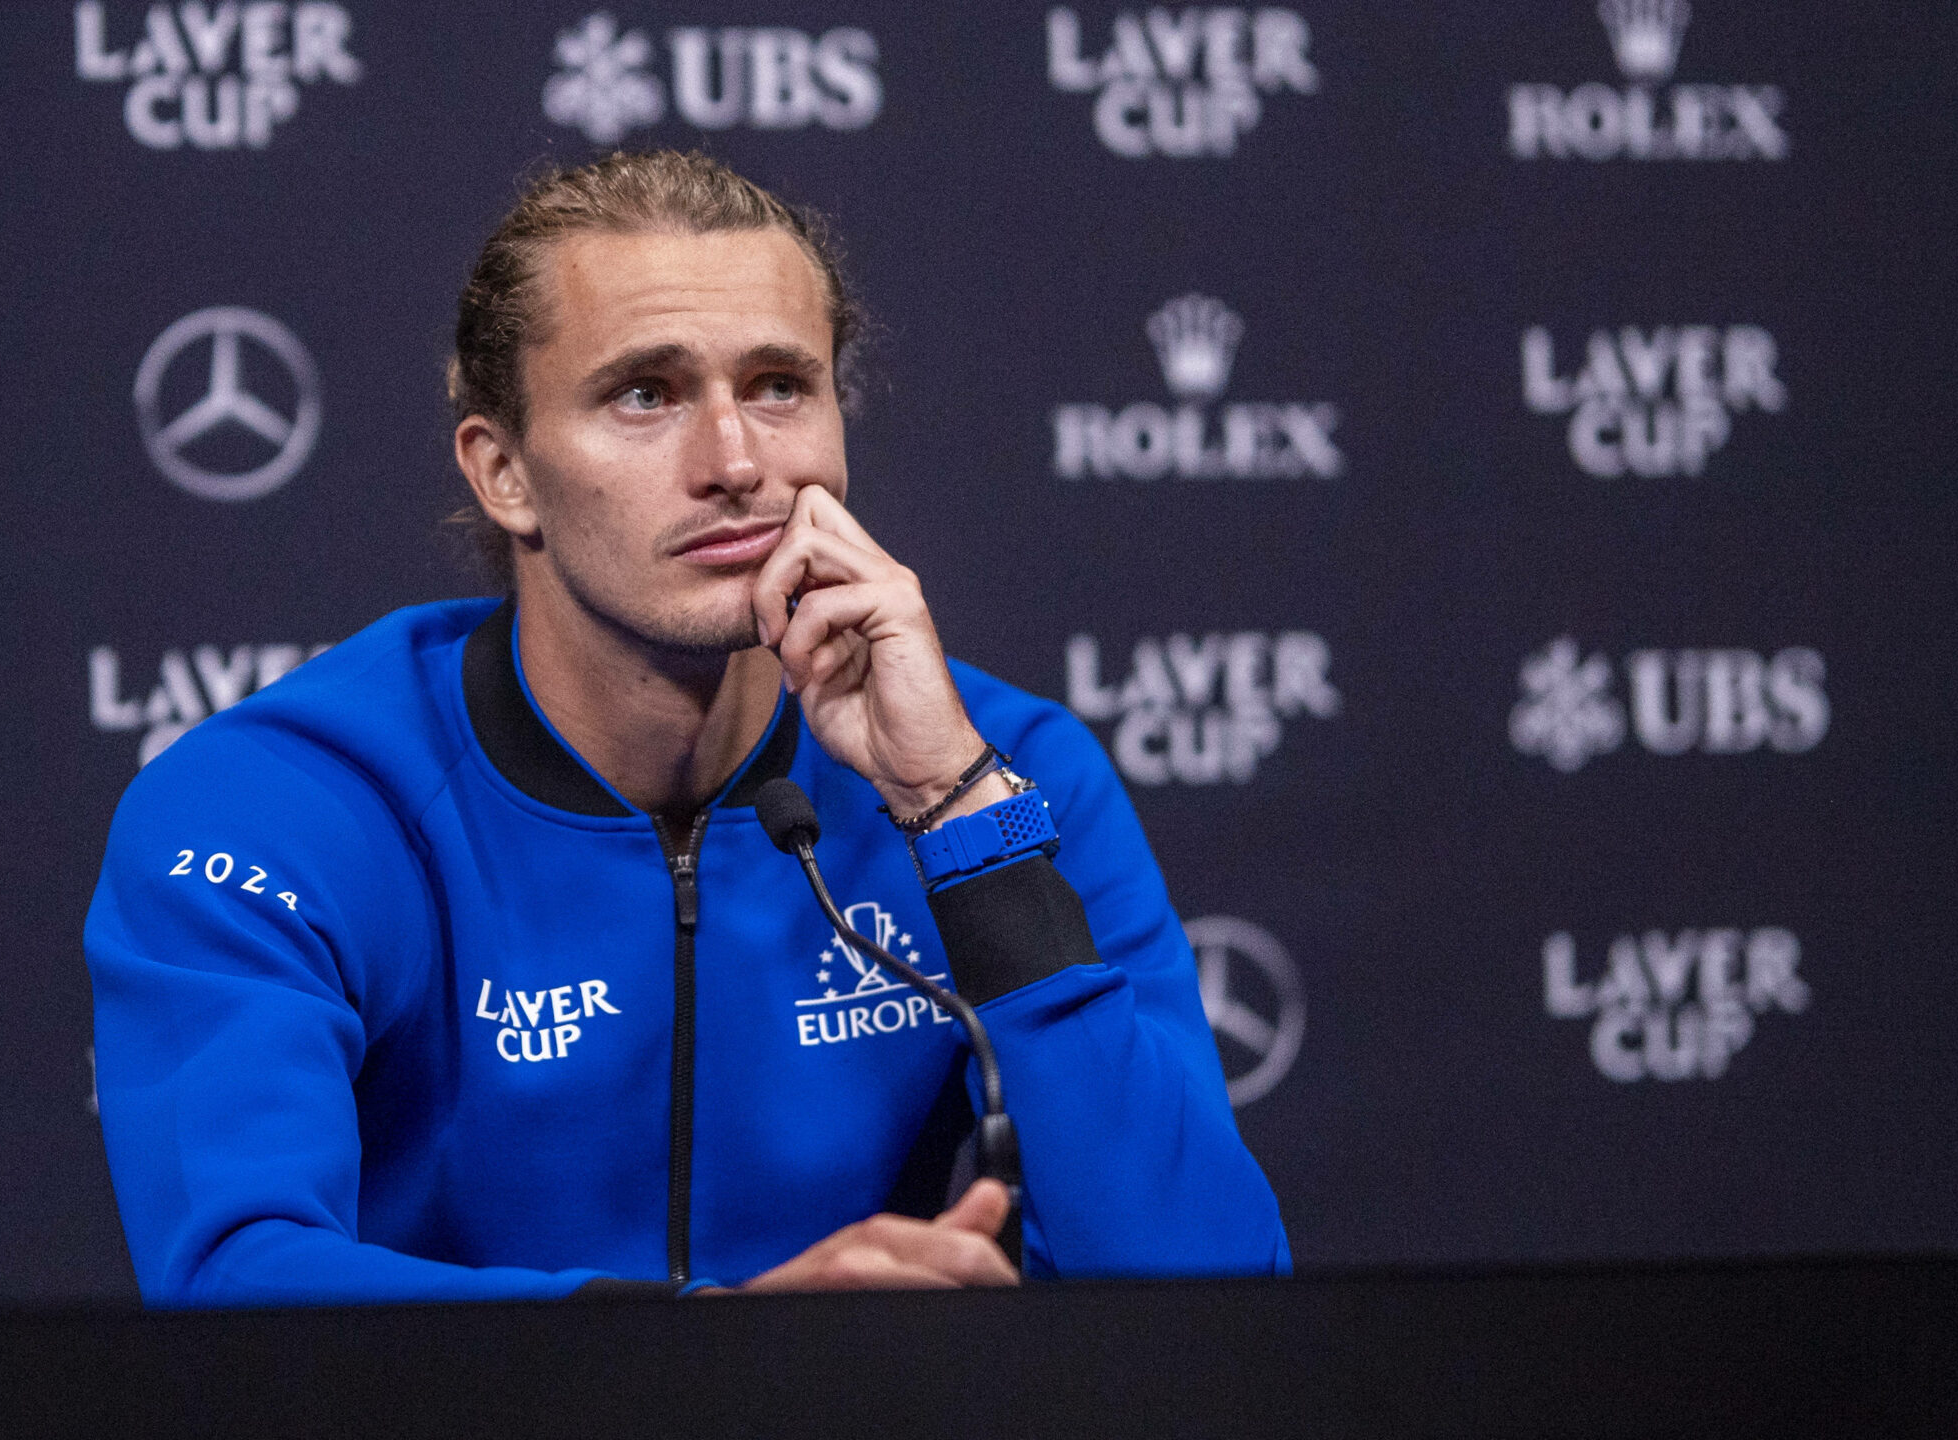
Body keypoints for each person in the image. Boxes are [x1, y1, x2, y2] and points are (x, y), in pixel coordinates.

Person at [83, 150, 1287, 1305]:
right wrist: (716, 1352)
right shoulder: (279, 805)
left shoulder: (1006, 776)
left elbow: (1209, 1306)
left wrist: (952, 809)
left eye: (778, 387)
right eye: (644, 394)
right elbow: (236, 1279)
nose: (735, 462)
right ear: (504, 473)